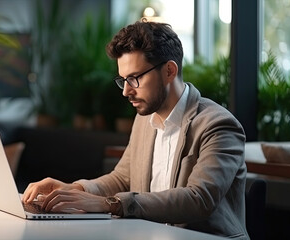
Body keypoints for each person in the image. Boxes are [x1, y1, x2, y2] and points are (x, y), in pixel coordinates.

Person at [23, 19, 248, 239]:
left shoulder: (218, 125)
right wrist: (75, 190)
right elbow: (122, 178)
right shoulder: (145, 119)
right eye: (123, 80)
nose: (126, 91)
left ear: (169, 71)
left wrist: (109, 204)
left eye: (134, 78)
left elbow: (200, 199)